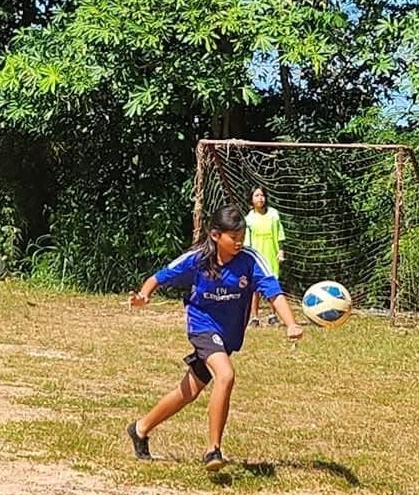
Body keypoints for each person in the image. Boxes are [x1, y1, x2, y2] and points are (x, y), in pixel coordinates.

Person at [124, 205, 303, 470]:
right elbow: (159, 276)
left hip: (227, 335)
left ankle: (140, 428)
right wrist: (143, 296)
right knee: (225, 375)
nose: (239, 242)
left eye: (242, 236)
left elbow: (273, 292)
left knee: (189, 390)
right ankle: (213, 450)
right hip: (202, 326)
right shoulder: (197, 259)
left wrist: (291, 323)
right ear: (216, 235)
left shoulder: (250, 261)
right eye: (234, 237)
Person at [244, 186, 286, 326]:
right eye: (256, 195)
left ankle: (272, 315)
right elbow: (246, 242)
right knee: (255, 289)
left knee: (272, 286)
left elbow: (279, 234)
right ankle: (254, 317)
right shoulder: (249, 219)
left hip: (271, 256)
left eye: (262, 195)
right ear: (251, 199)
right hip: (256, 258)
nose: (260, 198)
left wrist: (280, 251)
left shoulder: (274, 214)